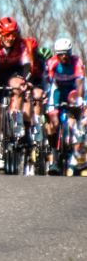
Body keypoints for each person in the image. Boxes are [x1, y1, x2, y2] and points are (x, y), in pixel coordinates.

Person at [0, 17, 33, 170]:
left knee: (18, 87)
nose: (11, 38)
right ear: (1, 34)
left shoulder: (22, 43)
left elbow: (27, 66)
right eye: (7, 35)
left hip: (14, 72)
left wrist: (25, 80)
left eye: (13, 34)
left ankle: (18, 120)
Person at [45, 38, 85, 174]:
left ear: (70, 53)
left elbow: (80, 83)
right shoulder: (52, 62)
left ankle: (76, 134)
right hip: (57, 92)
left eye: (67, 53)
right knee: (54, 123)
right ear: (56, 54)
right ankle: (54, 159)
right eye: (61, 54)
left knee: (76, 103)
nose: (64, 56)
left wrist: (80, 99)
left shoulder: (76, 62)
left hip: (71, 91)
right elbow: (48, 83)